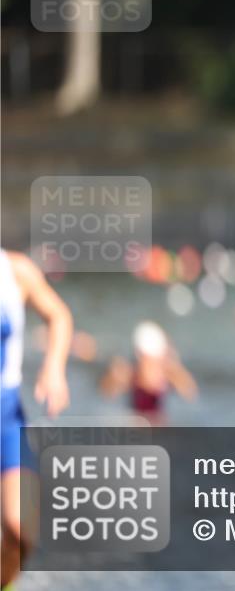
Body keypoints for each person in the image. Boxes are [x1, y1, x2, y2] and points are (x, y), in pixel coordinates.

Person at [1, 248, 73, 589]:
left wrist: (54, 368)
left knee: (20, 529)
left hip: (7, 418)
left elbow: (59, 316)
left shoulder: (16, 271)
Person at [100, 320, 198, 426]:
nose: (152, 367)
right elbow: (105, 393)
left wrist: (177, 370)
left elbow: (191, 393)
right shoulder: (130, 373)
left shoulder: (167, 373)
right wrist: (113, 377)